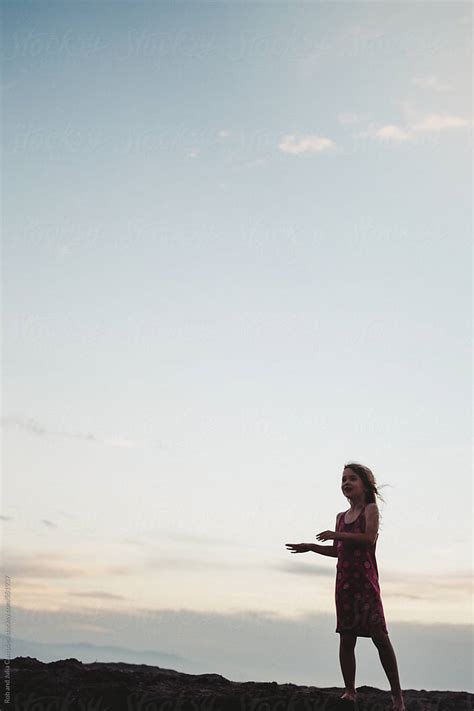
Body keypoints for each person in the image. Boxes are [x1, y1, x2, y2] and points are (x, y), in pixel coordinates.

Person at [285, 462, 405, 711]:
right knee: (346, 636)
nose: (346, 483)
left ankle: (397, 698)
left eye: (352, 479)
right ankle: (350, 691)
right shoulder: (341, 517)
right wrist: (310, 546)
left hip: (366, 582)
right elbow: (338, 551)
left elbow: (368, 539)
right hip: (345, 584)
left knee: (379, 637)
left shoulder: (370, 510)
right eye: (343, 480)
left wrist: (336, 535)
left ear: (364, 484)